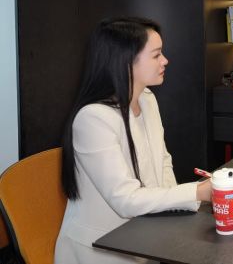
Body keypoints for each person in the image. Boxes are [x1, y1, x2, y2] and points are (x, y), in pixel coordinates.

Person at [55, 17, 211, 264]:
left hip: (144, 235)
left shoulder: (147, 99)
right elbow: (125, 199)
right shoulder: (93, 118)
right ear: (126, 61)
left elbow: (163, 161)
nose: (165, 60)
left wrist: (177, 210)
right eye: (156, 55)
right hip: (101, 248)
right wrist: (197, 191)